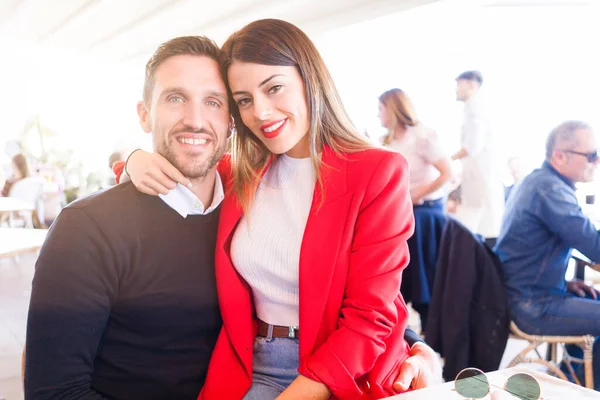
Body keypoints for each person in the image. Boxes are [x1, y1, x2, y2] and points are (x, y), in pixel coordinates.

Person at [25, 35, 440, 400]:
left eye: (214, 101)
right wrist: (131, 162)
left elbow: (358, 292)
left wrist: (411, 341)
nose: (196, 119)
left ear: (228, 123)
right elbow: (55, 390)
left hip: (317, 372)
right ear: (144, 114)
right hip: (252, 373)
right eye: (175, 98)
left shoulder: (240, 190)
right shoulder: (91, 228)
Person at [494, 120, 600, 390]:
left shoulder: (540, 181)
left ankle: (573, 381)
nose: (596, 161)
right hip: (532, 305)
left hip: (526, 292)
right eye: (591, 155)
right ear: (559, 155)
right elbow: (595, 246)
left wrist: (564, 283)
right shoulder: (551, 190)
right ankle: (582, 390)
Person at [378, 88, 451, 333]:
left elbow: (448, 173)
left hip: (424, 216)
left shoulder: (422, 137)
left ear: (393, 108)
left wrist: (415, 195)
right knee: (399, 282)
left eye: (381, 109)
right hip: (399, 214)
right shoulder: (386, 141)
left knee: (423, 284)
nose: (378, 115)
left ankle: (430, 342)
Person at [451, 70, 504, 239]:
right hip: (478, 179)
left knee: (480, 227)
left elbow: (472, 146)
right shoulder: (472, 109)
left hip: (481, 179)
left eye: (459, 85)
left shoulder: (475, 108)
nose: (456, 90)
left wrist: (446, 160)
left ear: (472, 85)